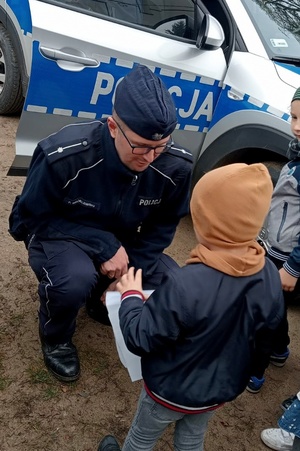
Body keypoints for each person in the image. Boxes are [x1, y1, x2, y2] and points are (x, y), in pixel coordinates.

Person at [8, 64, 193, 383]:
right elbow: (23, 221)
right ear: (112, 127)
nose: (150, 158)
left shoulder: (176, 165)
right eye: (140, 146)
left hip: (123, 243)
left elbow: (161, 228)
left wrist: (128, 273)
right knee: (73, 280)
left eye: (159, 148)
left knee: (173, 282)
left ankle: (100, 301)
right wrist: (102, 245)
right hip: (61, 236)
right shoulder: (64, 154)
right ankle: (56, 338)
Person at [97, 163, 284, 451]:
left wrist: (131, 296)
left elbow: (141, 337)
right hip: (218, 391)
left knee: (142, 437)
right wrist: (249, 374)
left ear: (207, 221)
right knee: (192, 438)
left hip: (169, 390)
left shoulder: (184, 284)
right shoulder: (269, 273)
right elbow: (267, 335)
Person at [247, 87, 300, 394]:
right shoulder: (297, 152)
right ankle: (280, 349)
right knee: (274, 304)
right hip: (276, 246)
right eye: (294, 116)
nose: (296, 126)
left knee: (264, 309)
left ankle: (255, 370)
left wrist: (293, 268)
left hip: (288, 254)